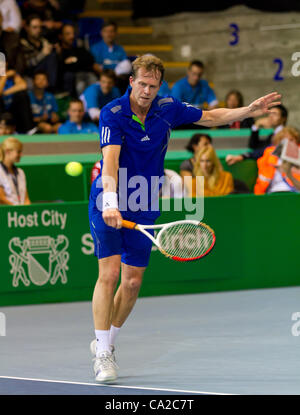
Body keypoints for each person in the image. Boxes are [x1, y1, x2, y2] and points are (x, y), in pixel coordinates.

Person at [88, 53, 280, 382]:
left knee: (132, 283)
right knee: (109, 275)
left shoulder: (168, 108)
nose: (147, 91)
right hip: (111, 197)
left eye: (153, 85)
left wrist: (248, 111)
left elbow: (210, 116)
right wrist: (109, 202)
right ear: (131, 82)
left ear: (160, 85)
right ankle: (103, 354)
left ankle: (106, 342)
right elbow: (110, 162)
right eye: (142, 84)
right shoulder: (113, 113)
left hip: (146, 199)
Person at [56, 23, 100, 96]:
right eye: (68, 34)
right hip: (75, 78)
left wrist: (75, 60)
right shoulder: (59, 52)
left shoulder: (79, 49)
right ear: (61, 36)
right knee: (81, 85)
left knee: (94, 85)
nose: (72, 36)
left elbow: (90, 60)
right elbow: (64, 68)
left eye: (73, 33)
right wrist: (79, 61)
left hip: (88, 75)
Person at [254, 127, 300, 195]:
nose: (287, 143)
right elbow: (262, 178)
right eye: (284, 140)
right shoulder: (269, 154)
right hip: (273, 191)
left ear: (296, 141)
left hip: (294, 192)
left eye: (291, 140)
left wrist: (289, 170)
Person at [90, 20, 131, 93]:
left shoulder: (120, 49)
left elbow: (125, 65)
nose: (109, 34)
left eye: (111, 31)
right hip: (103, 77)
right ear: (101, 33)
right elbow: (95, 66)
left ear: (115, 33)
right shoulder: (95, 48)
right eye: (106, 31)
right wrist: (109, 76)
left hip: (119, 79)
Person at [20, 14, 58, 90]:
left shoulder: (43, 41)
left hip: (45, 71)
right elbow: (26, 64)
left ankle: (52, 88)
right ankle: (51, 88)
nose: (38, 30)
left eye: (40, 27)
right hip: (30, 73)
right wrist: (43, 54)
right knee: (51, 57)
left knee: (53, 56)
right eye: (34, 27)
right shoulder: (22, 44)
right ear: (27, 28)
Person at [0, 65, 35, 134]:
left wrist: (5, 92)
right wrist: (5, 76)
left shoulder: (13, 76)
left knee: (22, 95)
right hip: (1, 111)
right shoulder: (7, 75)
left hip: (13, 110)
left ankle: (29, 129)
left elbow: (23, 86)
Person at [0, 136, 31, 205]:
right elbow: (1, 198)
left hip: (21, 214)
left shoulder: (21, 172)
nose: (21, 155)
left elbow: (26, 198)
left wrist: (27, 211)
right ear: (8, 151)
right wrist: (16, 210)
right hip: (7, 213)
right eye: (18, 152)